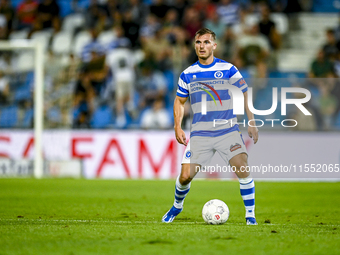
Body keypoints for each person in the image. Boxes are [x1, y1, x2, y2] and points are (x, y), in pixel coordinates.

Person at [162, 28, 259, 225]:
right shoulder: (188, 74)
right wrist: (177, 127)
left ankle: (250, 215)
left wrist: (252, 121)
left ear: (214, 45)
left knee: (242, 167)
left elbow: (244, 93)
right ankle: (177, 206)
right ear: (194, 45)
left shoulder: (228, 69)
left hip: (227, 131)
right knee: (185, 176)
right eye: (198, 42)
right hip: (200, 134)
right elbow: (179, 102)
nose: (202, 46)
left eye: (206, 42)